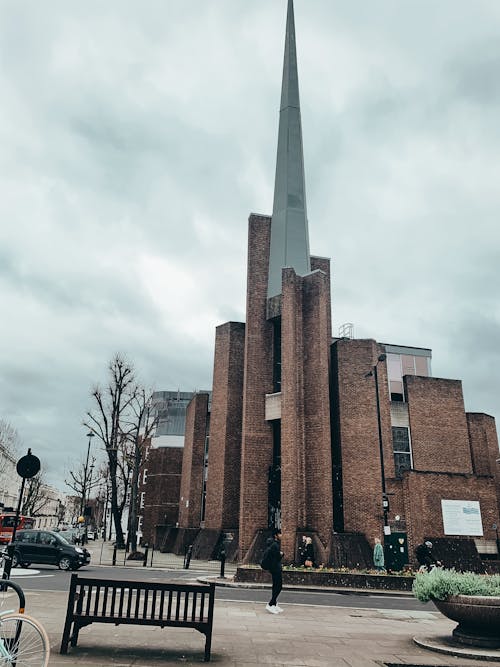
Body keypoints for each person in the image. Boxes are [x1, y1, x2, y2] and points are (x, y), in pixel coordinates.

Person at [264, 528, 284, 614]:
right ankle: (270, 604)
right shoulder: (275, 545)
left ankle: (274, 604)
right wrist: (281, 554)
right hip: (275, 568)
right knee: (278, 586)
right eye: (280, 534)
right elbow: (276, 558)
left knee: (276, 586)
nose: (281, 536)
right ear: (276, 535)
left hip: (274, 568)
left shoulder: (273, 544)